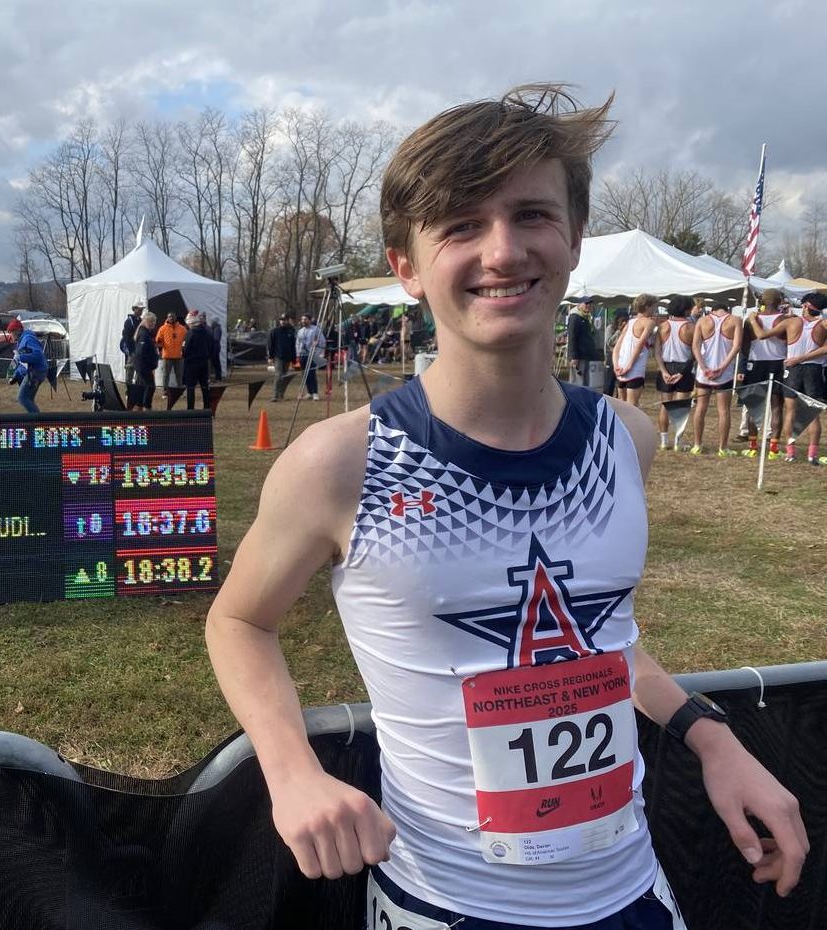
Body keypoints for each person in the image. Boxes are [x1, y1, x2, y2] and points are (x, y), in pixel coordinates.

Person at [205, 84, 807, 929]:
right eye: (460, 225)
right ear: (407, 267)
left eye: (530, 215)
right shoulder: (339, 463)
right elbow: (238, 622)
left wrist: (712, 738)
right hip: (444, 904)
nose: (502, 251)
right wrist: (289, 767)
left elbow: (602, 644)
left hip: (633, 894)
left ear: (571, 239)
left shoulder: (624, 441)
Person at [776, 293, 827, 464]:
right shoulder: (823, 324)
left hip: (794, 369)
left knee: (791, 411)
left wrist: (753, 319)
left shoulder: (791, 322)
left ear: (806, 306)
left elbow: (763, 334)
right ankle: (812, 454)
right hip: (813, 370)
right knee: (813, 414)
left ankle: (791, 452)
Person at [740, 288, 789, 458]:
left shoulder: (751, 320)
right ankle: (773, 449)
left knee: (754, 406)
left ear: (762, 301)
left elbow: (744, 347)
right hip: (777, 363)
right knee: (777, 407)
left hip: (756, 363)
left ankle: (753, 447)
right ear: (779, 302)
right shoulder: (783, 319)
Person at [690, 299, 742, 456]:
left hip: (703, 373)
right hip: (723, 373)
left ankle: (697, 444)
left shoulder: (702, 320)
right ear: (727, 310)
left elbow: (695, 346)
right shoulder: (736, 320)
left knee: (700, 408)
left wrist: (704, 367)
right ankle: (723, 447)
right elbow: (737, 346)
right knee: (724, 410)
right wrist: (722, 367)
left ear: (712, 310)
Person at [654, 295, 696, 450]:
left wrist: (663, 371)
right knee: (681, 406)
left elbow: (657, 352)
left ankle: (664, 440)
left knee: (665, 405)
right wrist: (683, 373)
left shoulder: (662, 326)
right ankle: (678, 440)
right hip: (683, 367)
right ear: (686, 309)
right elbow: (694, 353)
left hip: (665, 366)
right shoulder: (691, 327)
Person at [612, 293, 657, 406]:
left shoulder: (629, 322)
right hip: (634, 370)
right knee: (632, 407)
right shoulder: (649, 322)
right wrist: (629, 366)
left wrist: (616, 365)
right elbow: (640, 344)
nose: (655, 310)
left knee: (622, 407)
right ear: (647, 307)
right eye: (654, 307)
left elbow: (617, 347)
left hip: (620, 368)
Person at [5, 318, 48, 414]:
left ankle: (38, 422)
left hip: (36, 372)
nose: (10, 335)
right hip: (36, 372)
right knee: (29, 399)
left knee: (22, 398)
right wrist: (15, 376)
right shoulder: (21, 341)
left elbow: (37, 355)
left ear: (18, 331)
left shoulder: (28, 339)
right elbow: (23, 365)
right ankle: (35, 421)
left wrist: (20, 357)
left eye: (11, 332)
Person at [181, 309, 214, 410]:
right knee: (205, 387)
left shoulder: (190, 333)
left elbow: (185, 349)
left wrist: (184, 354)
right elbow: (212, 347)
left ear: (192, 322)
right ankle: (207, 408)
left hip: (191, 364)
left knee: (191, 388)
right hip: (204, 363)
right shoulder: (207, 332)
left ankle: (190, 410)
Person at [128, 311, 159, 411]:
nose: (153, 324)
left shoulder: (145, 333)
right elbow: (140, 352)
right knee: (150, 387)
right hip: (144, 367)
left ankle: (140, 408)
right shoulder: (144, 335)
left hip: (143, 366)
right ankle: (147, 408)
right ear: (146, 322)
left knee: (141, 388)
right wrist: (149, 363)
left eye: (154, 322)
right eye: (151, 322)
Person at [566, 296, 597, 387]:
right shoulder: (575, 317)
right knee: (578, 382)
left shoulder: (586, 317)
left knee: (584, 382)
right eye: (586, 303)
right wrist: (573, 357)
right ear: (579, 304)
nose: (588, 305)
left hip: (586, 355)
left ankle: (582, 399)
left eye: (590, 303)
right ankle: (576, 400)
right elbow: (572, 337)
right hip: (578, 357)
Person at [155, 311, 187, 394]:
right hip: (167, 356)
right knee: (166, 375)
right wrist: (160, 348)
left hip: (178, 356)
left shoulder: (182, 329)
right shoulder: (162, 328)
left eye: (173, 316)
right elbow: (158, 341)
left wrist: (183, 347)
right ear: (167, 318)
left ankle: (179, 390)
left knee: (179, 374)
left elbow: (186, 340)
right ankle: (165, 391)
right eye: (169, 316)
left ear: (176, 317)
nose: (171, 318)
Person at [267, 313, 297, 401]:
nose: (283, 322)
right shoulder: (274, 331)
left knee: (285, 376)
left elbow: (293, 346)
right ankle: (275, 396)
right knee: (278, 375)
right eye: (281, 320)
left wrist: (293, 358)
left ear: (288, 321)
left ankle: (281, 394)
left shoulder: (291, 331)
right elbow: (270, 345)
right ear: (279, 321)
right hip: (278, 356)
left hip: (287, 357)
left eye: (285, 320)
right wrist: (270, 356)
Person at [296, 314, 325, 400]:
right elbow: (297, 343)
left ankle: (315, 392)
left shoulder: (315, 330)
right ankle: (309, 392)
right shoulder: (300, 331)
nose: (303, 321)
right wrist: (298, 353)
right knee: (305, 375)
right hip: (302, 355)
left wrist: (318, 352)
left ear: (309, 320)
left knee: (312, 374)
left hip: (312, 355)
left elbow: (322, 341)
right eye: (302, 320)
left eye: (305, 319)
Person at [601, 307, 629, 398]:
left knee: (621, 384)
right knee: (609, 383)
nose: (624, 322)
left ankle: (619, 401)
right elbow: (609, 342)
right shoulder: (610, 328)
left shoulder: (629, 329)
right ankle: (606, 400)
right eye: (621, 320)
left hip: (623, 357)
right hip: (612, 356)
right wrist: (619, 331)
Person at [120, 302, 145, 400]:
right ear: (134, 309)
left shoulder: (141, 320)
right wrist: (131, 351)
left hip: (140, 350)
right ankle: (128, 391)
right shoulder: (129, 321)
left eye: (142, 309)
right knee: (130, 371)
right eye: (139, 309)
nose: (141, 311)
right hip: (132, 351)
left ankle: (137, 390)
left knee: (139, 372)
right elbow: (127, 337)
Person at [208, 314, 224, 381]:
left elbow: (216, 338)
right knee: (215, 363)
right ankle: (217, 377)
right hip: (214, 347)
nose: (211, 321)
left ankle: (218, 377)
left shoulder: (217, 328)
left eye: (212, 320)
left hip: (215, 347)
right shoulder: (214, 327)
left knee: (216, 363)